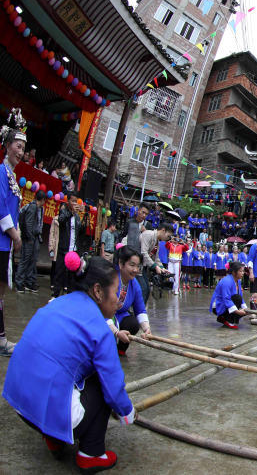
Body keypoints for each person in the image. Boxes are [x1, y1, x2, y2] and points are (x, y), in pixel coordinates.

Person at [2, 256, 136, 471]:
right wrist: (128, 412)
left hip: (20, 402)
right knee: (102, 386)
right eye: (116, 290)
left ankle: (54, 437)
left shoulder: (58, 302)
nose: (119, 299)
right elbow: (113, 387)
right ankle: (91, 454)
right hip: (44, 406)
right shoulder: (100, 330)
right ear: (98, 291)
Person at [0, 110, 25, 356]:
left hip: (5, 241)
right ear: (7, 146)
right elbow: (0, 205)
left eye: (22, 148)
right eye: (17, 146)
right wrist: (14, 233)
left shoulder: (11, 175)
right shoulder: (0, 171)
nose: (20, 152)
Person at [110, 246, 151, 356]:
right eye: (132, 265)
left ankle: (120, 350)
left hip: (119, 316)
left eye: (138, 266)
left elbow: (140, 309)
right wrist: (116, 332)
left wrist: (146, 329)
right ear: (121, 263)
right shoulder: (110, 279)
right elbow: (100, 312)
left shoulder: (134, 283)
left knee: (133, 323)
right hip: (104, 318)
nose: (135, 270)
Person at [51, 193, 85, 298]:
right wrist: (71, 213)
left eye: (76, 201)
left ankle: (70, 296)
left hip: (73, 250)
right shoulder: (64, 211)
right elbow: (61, 220)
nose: (75, 203)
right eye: (73, 201)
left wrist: (83, 218)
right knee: (59, 272)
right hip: (63, 248)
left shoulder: (77, 216)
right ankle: (55, 295)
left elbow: (80, 232)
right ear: (68, 202)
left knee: (72, 275)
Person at [16, 190, 46, 293]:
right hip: (29, 239)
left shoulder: (38, 208)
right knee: (25, 260)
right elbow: (28, 224)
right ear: (42, 200)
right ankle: (19, 283)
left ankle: (28, 282)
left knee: (31, 260)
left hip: (34, 237)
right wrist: (29, 238)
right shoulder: (33, 207)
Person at [138, 223, 172, 304]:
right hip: (135, 266)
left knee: (146, 289)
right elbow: (144, 253)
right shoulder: (148, 234)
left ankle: (140, 311)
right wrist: (155, 266)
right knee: (143, 288)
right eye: (168, 236)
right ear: (163, 230)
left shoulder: (157, 241)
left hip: (142, 266)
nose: (168, 238)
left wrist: (162, 267)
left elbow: (156, 258)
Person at [209, 261, 248, 329]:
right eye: (240, 271)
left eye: (243, 271)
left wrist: (245, 308)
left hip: (226, 303)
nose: (242, 273)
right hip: (219, 305)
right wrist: (237, 312)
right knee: (237, 298)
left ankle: (225, 318)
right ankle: (229, 320)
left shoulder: (238, 280)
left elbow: (240, 296)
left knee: (239, 300)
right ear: (234, 272)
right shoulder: (227, 281)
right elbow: (226, 298)